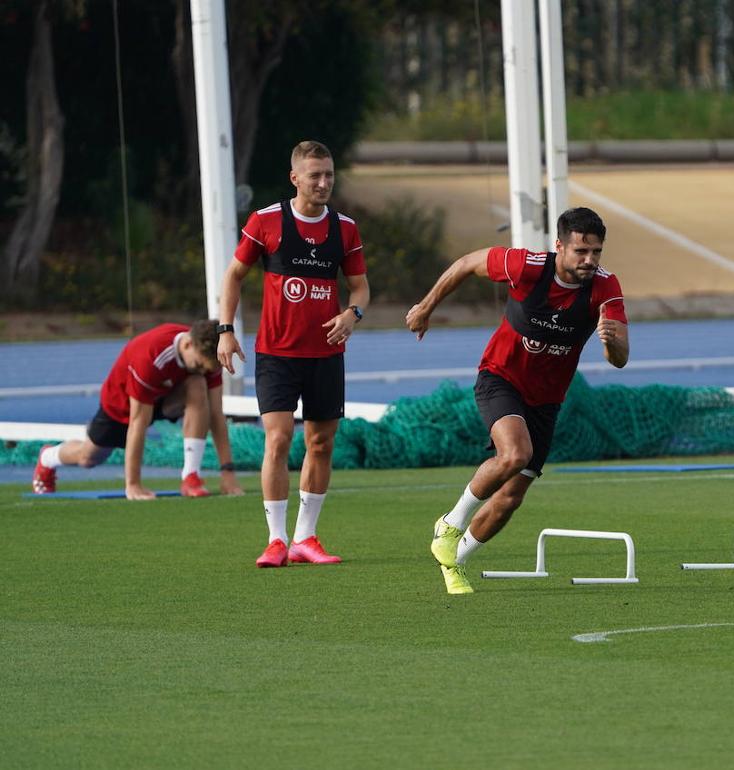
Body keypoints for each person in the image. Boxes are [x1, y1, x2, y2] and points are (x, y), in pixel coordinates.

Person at [406, 207, 629, 594]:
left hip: (547, 400)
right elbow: (464, 264)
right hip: (500, 378)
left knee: (510, 498)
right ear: (559, 246)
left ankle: (454, 561)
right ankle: (449, 524)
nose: (590, 260)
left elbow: (621, 358)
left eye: (596, 252)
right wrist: (426, 307)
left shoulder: (606, 288)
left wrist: (611, 345)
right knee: (514, 454)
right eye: (581, 251)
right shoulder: (525, 266)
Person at [218, 140, 369, 568]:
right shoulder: (266, 221)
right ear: (295, 178)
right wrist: (226, 331)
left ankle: (306, 537)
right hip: (277, 353)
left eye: (329, 175)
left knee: (320, 443)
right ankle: (276, 540)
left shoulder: (345, 228)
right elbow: (233, 276)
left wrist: (352, 314)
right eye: (315, 175)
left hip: (325, 354)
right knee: (279, 439)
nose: (323, 183)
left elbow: (360, 287)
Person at [32, 320, 244, 500]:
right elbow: (138, 423)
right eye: (199, 365)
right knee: (88, 458)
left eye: (207, 369)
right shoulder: (151, 356)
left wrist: (228, 473)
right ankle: (47, 457)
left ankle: (191, 476)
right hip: (122, 405)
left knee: (197, 383)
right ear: (188, 344)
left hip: (167, 395)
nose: (204, 370)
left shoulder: (207, 359)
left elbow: (216, 414)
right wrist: (133, 484)